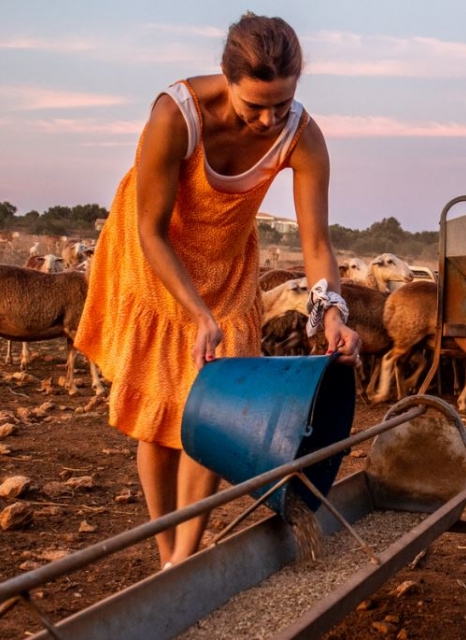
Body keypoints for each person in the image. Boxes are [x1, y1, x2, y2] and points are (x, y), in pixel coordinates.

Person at [75, 13, 361, 569]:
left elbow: (317, 243)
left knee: (212, 409)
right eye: (255, 105)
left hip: (227, 267)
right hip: (158, 261)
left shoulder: (302, 135)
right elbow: (150, 230)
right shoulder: (175, 114)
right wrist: (196, 313)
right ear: (226, 78)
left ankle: (184, 559)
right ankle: (167, 554)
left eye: (282, 103)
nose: (269, 119)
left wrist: (331, 313)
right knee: (162, 413)